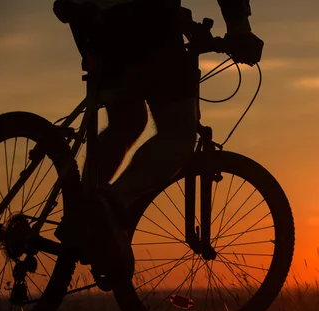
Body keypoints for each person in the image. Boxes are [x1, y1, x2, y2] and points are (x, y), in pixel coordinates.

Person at [52, 0, 263, 291]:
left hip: (92, 22)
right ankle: (108, 205)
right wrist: (240, 29)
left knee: (126, 122)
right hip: (145, 18)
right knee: (178, 137)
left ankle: (84, 220)